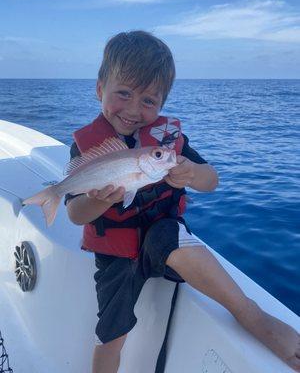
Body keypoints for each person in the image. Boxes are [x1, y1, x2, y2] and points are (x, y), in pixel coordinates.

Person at [65, 31, 300, 373]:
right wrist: (97, 201)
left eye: (148, 100)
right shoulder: (87, 149)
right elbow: (74, 214)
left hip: (166, 243)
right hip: (115, 256)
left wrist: (191, 173)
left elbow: (212, 180)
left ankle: (253, 316)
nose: (133, 110)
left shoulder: (167, 143)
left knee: (168, 232)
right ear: (100, 89)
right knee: (110, 335)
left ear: (162, 103)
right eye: (124, 94)